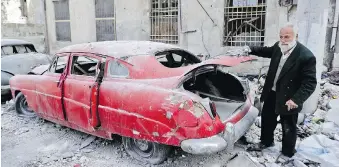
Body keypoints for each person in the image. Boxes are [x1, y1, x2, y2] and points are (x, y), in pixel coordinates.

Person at [245, 22, 317, 158]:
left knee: (288, 126)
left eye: (287, 37)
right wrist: (249, 49)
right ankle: (266, 142)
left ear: (296, 36)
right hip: (272, 93)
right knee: (267, 119)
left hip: (290, 97)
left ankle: (287, 152)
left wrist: (297, 99)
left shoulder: (306, 56)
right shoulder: (278, 48)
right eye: (281, 37)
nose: (283, 40)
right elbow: (265, 51)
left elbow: (310, 82)